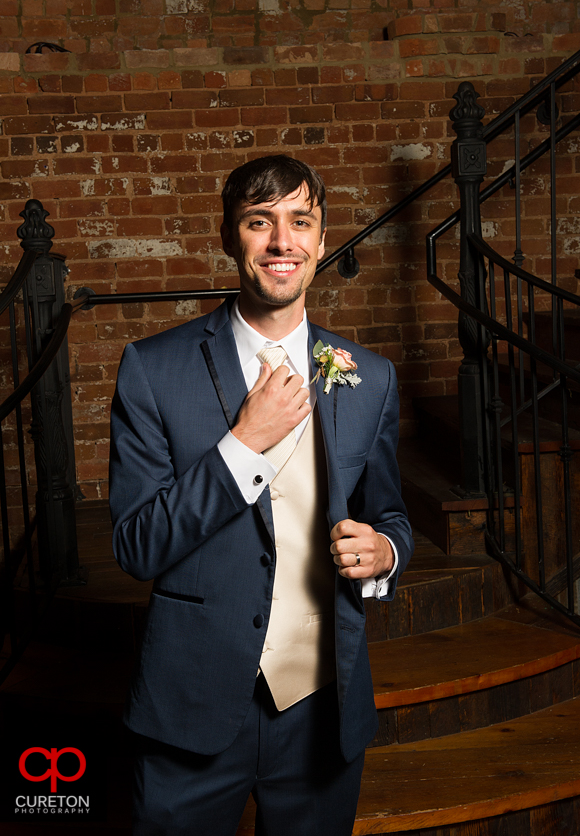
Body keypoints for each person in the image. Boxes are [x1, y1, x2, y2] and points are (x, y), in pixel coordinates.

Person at [109, 155, 414, 836]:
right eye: (260, 222)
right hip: (190, 711)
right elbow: (134, 544)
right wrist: (242, 445)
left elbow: (391, 514)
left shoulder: (371, 377)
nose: (283, 242)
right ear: (230, 237)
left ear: (322, 239)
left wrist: (387, 550)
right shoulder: (152, 370)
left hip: (321, 711)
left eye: (300, 222)